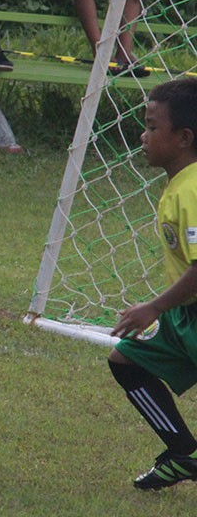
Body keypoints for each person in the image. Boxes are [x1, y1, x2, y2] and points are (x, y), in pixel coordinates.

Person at [108, 77, 197, 490]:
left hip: (187, 313)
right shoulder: (180, 184)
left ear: (183, 138)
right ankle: (184, 452)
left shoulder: (194, 189)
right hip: (185, 317)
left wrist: (154, 307)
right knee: (126, 360)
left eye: (151, 127)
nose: (142, 136)